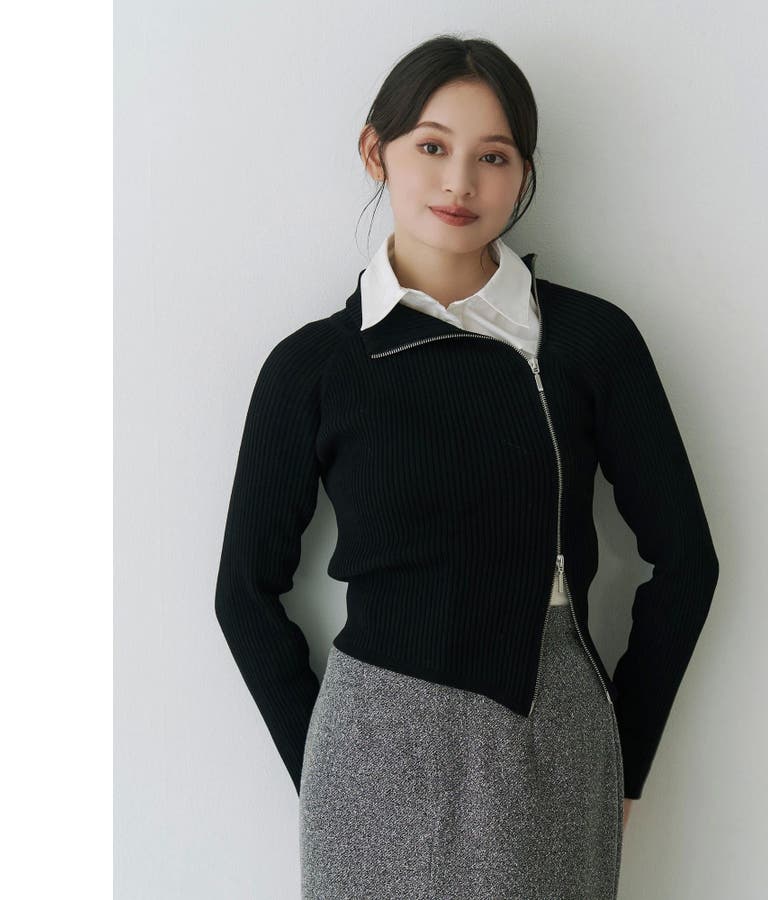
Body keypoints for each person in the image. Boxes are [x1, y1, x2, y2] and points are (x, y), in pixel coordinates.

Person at [214, 34, 719, 900]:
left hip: (551, 736)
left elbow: (687, 562)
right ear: (375, 150)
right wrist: (324, 769)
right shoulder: (315, 367)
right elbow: (244, 592)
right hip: (369, 749)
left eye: (493, 156)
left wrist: (624, 755)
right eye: (431, 146)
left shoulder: (589, 343)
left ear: (523, 174)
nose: (459, 183)